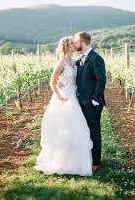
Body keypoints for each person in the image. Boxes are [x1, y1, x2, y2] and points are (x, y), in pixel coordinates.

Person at [34, 36, 93, 176]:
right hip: (64, 98)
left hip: (74, 95)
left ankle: (75, 160)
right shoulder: (60, 63)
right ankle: (61, 160)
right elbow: (52, 82)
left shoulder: (74, 62)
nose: (75, 45)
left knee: (76, 129)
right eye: (73, 43)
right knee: (64, 129)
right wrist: (60, 95)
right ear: (67, 46)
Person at [74, 31, 106, 171]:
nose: (74, 44)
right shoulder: (81, 58)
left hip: (92, 103)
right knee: (84, 131)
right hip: (81, 102)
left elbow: (102, 80)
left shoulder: (96, 58)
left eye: (76, 42)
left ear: (83, 42)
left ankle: (96, 162)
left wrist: (95, 99)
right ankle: (87, 157)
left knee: (94, 132)